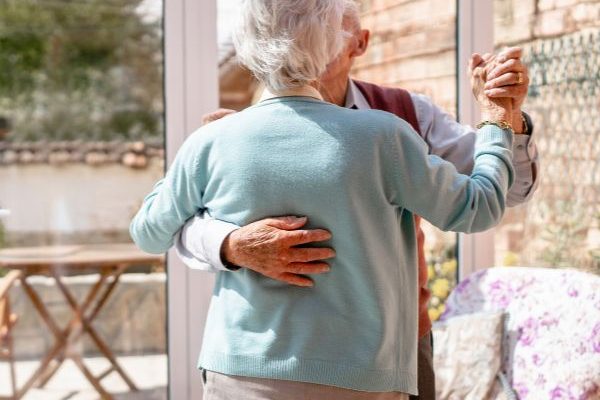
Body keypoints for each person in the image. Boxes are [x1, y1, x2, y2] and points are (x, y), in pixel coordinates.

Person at [131, 0, 516, 398]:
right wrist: (496, 116)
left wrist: (197, 152)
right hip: (362, 376)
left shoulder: (212, 140)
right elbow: (480, 207)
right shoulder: (385, 136)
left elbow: (148, 232)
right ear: (333, 43)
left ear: (246, 45)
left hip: (237, 374)